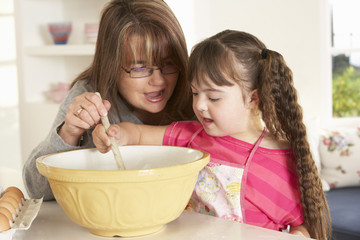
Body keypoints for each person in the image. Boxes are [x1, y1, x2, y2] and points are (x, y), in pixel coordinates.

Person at [93, 30, 332, 239]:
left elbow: (303, 226)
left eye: (213, 97)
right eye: (195, 93)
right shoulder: (191, 136)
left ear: (253, 98)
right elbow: (139, 135)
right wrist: (116, 134)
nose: (200, 105)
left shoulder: (278, 160)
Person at [22, 0, 193, 201]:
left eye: (168, 64)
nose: (159, 80)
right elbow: (37, 190)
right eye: (140, 68)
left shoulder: (198, 92)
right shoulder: (90, 96)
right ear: (111, 65)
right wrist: (69, 133)